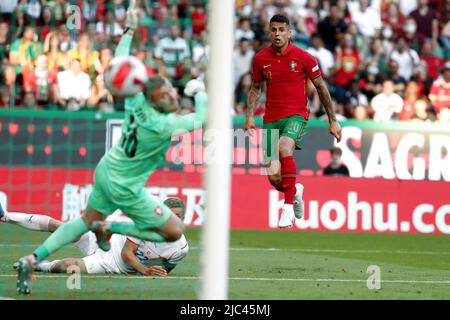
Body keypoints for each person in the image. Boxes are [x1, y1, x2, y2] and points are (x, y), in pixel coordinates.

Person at [16, 1, 207, 295]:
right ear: (159, 100)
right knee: (173, 230)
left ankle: (34, 259)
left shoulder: (135, 102)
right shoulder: (165, 126)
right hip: (125, 184)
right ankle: (113, 229)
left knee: (83, 222)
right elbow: (204, 117)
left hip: (105, 169)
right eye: (167, 92)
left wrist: (129, 29)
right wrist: (200, 92)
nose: (172, 93)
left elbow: (120, 59)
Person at [245, 14, 341, 229]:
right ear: (269, 32)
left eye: (281, 30)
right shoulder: (261, 58)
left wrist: (332, 120)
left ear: (290, 32)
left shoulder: (304, 57)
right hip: (270, 119)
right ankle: (295, 191)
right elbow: (255, 88)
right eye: (273, 30)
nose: (277, 34)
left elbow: (321, 88)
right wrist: (250, 115)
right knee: (275, 179)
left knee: (284, 147)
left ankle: (287, 208)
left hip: (296, 115)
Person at [3, 198, 189, 277]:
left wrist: (158, 273)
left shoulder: (181, 249)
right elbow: (127, 253)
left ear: (183, 218)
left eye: (178, 216)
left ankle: (38, 266)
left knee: (68, 266)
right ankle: (5, 215)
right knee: (61, 227)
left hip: (110, 264)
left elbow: (166, 269)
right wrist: (145, 270)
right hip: (107, 242)